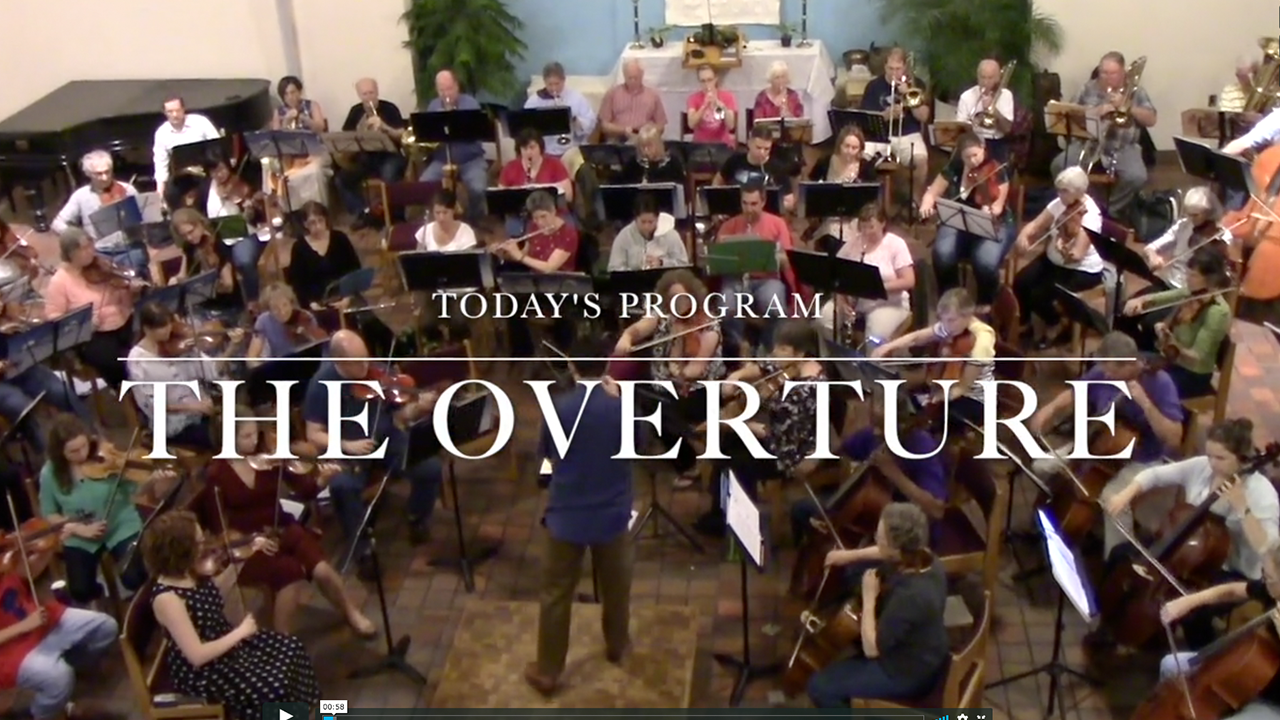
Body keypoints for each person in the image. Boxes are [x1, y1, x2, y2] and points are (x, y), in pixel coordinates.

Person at [1105, 417, 1278, 649]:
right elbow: (1156, 475)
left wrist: (1242, 508)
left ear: (1243, 459)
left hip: (1232, 570)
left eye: (1220, 458)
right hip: (1186, 552)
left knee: (1195, 612)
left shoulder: (1263, 495)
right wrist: (1126, 494)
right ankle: (1112, 621)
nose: (1212, 464)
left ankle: (1202, 658)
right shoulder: (1203, 466)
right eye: (1209, 455)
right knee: (1121, 554)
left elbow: (1268, 547)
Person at [196, 413, 375, 636]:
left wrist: (322, 479)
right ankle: (283, 639)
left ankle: (351, 612)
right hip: (247, 545)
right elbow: (219, 529)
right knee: (290, 572)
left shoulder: (269, 459)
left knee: (321, 568)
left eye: (255, 433)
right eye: (246, 436)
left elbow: (306, 490)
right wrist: (252, 541)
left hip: (281, 527)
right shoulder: (216, 474)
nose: (255, 440)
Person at [524, 344, 633, 696]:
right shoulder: (623, 407)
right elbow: (640, 445)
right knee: (617, 587)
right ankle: (617, 645)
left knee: (556, 593)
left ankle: (548, 670)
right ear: (606, 366)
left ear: (572, 365)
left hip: (567, 515)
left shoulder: (558, 408)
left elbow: (546, 456)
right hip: (612, 514)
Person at [142, 511, 320, 720]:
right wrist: (241, 632)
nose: (204, 546)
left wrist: (247, 554)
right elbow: (197, 656)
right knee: (273, 685)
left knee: (292, 648)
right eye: (198, 542)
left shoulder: (189, 571)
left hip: (226, 644)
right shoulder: (167, 599)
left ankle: (314, 713)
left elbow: (211, 596)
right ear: (180, 550)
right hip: (207, 670)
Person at [1028, 331, 1184, 555]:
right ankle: (1051, 518)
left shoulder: (1160, 384)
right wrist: (1050, 409)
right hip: (1099, 444)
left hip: (1142, 459)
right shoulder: (1104, 370)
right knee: (1041, 466)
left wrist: (1146, 404)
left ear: (1130, 364)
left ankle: (1117, 560)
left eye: (1112, 372)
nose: (1106, 376)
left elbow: (1174, 437)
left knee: (1113, 501)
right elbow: (1078, 390)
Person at [303, 330, 443, 578]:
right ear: (340, 361)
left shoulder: (378, 372)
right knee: (343, 487)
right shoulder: (320, 385)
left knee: (429, 467)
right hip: (348, 450)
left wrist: (418, 407)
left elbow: (400, 414)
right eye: (359, 362)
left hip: (387, 439)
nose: (367, 365)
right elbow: (313, 433)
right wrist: (347, 445)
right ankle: (363, 550)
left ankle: (417, 517)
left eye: (366, 358)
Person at [806, 503, 949, 707]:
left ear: (896, 549)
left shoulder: (910, 597)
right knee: (855, 575)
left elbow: (872, 648)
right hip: (926, 651)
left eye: (879, 538)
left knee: (819, 687)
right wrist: (849, 556)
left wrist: (869, 597)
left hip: (905, 672)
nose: (875, 538)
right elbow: (886, 552)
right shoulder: (927, 559)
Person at [695, 319, 825, 536]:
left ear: (801, 353)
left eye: (782, 349)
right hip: (782, 436)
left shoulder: (806, 389)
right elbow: (765, 366)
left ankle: (744, 524)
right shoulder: (795, 364)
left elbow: (779, 436)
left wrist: (740, 425)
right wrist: (736, 376)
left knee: (735, 458)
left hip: (791, 452)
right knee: (727, 444)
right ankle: (721, 513)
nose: (775, 353)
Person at [792, 384, 949, 555]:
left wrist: (894, 474)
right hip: (871, 519)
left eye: (881, 426)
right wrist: (816, 464)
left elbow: (936, 510)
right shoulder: (874, 434)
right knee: (801, 510)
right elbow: (841, 452)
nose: (874, 431)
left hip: (908, 532)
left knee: (851, 565)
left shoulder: (922, 446)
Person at [1154, 544, 1280, 720]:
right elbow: (1232, 591)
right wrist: (1187, 602)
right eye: (1263, 574)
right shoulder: (1270, 590)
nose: (1263, 581)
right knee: (1170, 665)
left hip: (1273, 701)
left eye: (1269, 578)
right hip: (1245, 676)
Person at [38, 414, 154, 605]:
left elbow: (137, 490)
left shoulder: (105, 456)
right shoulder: (49, 473)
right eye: (73, 451)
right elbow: (49, 513)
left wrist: (152, 479)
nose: (82, 454)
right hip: (80, 535)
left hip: (120, 524)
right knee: (80, 590)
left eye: (84, 446)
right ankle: (104, 596)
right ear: (59, 452)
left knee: (134, 576)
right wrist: (79, 529)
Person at [0, 562, 118, 720]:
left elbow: (29, 570)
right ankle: (40, 713)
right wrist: (25, 625)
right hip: (12, 651)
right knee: (60, 677)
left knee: (106, 627)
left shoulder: (6, 565)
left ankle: (70, 670)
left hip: (44, 620)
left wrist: (46, 551)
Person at [1049, 51, 1157, 220]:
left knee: (1137, 177)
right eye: (1103, 72)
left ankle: (1108, 212)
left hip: (1123, 147)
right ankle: (1075, 206)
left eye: (1112, 73)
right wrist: (1096, 112)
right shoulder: (1087, 88)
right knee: (1058, 165)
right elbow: (1070, 113)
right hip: (1088, 144)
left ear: (1123, 73)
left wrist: (1127, 106)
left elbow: (1151, 119)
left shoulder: (1135, 91)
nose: (1107, 77)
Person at [871, 288, 996, 425]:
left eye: (951, 320)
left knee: (934, 420)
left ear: (967, 315)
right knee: (903, 403)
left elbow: (963, 387)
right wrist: (887, 347)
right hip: (948, 388)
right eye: (944, 320)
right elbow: (916, 338)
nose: (946, 326)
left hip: (975, 398)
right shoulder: (953, 327)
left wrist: (933, 399)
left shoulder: (981, 340)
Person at [920, 133, 1014, 308]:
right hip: (958, 219)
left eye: (976, 155)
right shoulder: (955, 166)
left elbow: (998, 206)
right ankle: (951, 298)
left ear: (983, 149)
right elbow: (932, 192)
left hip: (995, 223)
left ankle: (987, 302)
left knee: (985, 262)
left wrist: (989, 210)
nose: (973, 161)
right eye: (967, 157)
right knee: (942, 254)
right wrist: (926, 204)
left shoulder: (997, 169)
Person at [43, 228, 146, 388]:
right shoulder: (60, 281)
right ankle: (130, 390)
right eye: (84, 249)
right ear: (71, 253)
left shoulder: (101, 265)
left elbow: (123, 292)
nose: (91, 251)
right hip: (93, 336)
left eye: (91, 245)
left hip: (125, 320)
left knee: (150, 343)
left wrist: (132, 290)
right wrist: (84, 324)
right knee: (120, 362)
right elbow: (53, 316)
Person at [1121, 250, 1233, 398]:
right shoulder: (1193, 292)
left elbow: (1197, 356)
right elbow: (1162, 297)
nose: (1187, 279)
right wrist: (1140, 301)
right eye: (1187, 273)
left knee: (1134, 385)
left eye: (1193, 276)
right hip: (1172, 361)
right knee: (1121, 363)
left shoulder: (1217, 312)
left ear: (1210, 280)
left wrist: (1173, 344)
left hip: (1192, 375)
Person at [1011, 184, 1105, 349]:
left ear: (1077, 192)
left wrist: (1064, 251)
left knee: (1038, 295)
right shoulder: (1060, 203)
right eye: (1059, 190)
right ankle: (1026, 323)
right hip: (1053, 260)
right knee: (1020, 281)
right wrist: (1024, 236)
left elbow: (1077, 255)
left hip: (1080, 269)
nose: (1059, 194)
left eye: (1064, 191)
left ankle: (1055, 322)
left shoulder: (1090, 216)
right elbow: (1036, 224)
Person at [713, 181, 797, 352]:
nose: (749, 209)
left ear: (763, 202)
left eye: (753, 204)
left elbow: (787, 260)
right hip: (736, 279)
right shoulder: (729, 226)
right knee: (726, 308)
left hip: (767, 279)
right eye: (745, 203)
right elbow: (715, 261)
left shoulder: (777, 223)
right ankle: (739, 351)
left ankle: (768, 350)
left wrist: (765, 254)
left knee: (775, 309)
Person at [126, 303, 223, 449]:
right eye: (162, 327)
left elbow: (211, 370)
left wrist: (233, 347)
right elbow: (151, 405)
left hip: (202, 412)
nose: (168, 329)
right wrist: (191, 406)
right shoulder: (137, 361)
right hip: (174, 424)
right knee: (224, 437)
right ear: (146, 329)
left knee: (241, 424)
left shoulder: (180, 344)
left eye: (169, 324)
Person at [817, 203, 915, 346]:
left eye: (871, 227)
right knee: (824, 319)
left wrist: (876, 286)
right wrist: (841, 302)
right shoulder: (852, 244)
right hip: (854, 302)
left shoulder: (896, 244)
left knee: (875, 336)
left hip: (887, 303)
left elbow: (908, 280)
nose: (866, 232)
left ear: (882, 223)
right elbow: (836, 276)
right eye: (863, 227)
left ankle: (871, 359)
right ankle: (834, 356)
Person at [49, 150, 149, 277]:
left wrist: (138, 218)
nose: (105, 177)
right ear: (88, 174)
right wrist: (80, 237)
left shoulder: (128, 190)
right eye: (99, 174)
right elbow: (57, 223)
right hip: (100, 252)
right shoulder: (81, 196)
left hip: (131, 247)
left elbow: (145, 220)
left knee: (140, 274)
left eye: (108, 172)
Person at [860, 47, 931, 202]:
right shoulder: (873, 86)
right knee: (859, 156)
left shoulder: (917, 84)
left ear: (904, 67)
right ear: (884, 66)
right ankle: (866, 197)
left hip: (908, 134)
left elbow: (924, 117)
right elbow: (865, 119)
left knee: (921, 162)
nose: (894, 73)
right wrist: (886, 115)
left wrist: (907, 94)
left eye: (898, 69)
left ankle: (915, 199)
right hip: (879, 134)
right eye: (890, 68)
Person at [418, 70, 489, 223]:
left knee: (478, 189)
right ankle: (439, 219)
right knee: (424, 184)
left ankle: (472, 220)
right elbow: (428, 137)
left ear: (457, 86)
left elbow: (477, 133)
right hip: (442, 160)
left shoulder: (470, 104)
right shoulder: (433, 106)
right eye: (441, 90)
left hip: (470, 159)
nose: (446, 94)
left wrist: (453, 120)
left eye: (449, 89)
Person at [336, 77, 407, 216]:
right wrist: (360, 131)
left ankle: (395, 215)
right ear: (359, 95)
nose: (369, 97)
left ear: (377, 92)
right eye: (365, 94)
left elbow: (403, 135)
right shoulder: (355, 111)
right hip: (365, 158)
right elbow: (346, 138)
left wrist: (385, 127)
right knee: (342, 179)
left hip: (390, 156)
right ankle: (364, 213)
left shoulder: (390, 108)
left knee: (390, 175)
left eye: (371, 93)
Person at [1140, 186, 1233, 291]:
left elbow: (1221, 274)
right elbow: (1150, 247)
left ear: (1208, 212)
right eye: (1189, 214)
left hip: (1193, 291)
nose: (1191, 219)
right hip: (1169, 283)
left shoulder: (1222, 236)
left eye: (1195, 215)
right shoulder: (1183, 225)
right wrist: (1153, 256)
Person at [524, 61, 598, 177]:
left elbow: (590, 122)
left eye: (557, 84)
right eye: (550, 84)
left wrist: (576, 121)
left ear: (564, 80)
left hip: (570, 149)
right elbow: (526, 127)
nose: (554, 88)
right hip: (545, 151)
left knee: (582, 170)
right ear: (544, 82)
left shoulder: (575, 97)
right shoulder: (535, 101)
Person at [285, 201, 362, 310]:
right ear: (305, 224)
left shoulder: (340, 238)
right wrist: (311, 304)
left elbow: (355, 269)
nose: (318, 226)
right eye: (312, 223)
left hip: (345, 297)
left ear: (326, 219)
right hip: (318, 302)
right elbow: (298, 284)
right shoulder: (299, 248)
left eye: (320, 220)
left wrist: (347, 298)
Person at [268, 75, 330, 210]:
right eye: (286, 94)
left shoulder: (312, 105)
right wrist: (285, 122)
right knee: (279, 173)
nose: (290, 97)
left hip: (315, 151)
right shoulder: (279, 112)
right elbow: (276, 138)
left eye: (293, 92)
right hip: (292, 156)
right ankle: (294, 211)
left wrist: (305, 119)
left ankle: (318, 210)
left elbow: (320, 127)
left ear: (299, 92)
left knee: (314, 172)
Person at [497, 129, 574, 236]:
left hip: (553, 214)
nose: (529, 152)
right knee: (513, 229)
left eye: (532, 147)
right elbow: (500, 198)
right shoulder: (510, 167)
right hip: (521, 216)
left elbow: (569, 196)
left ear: (540, 148)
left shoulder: (555, 164)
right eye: (524, 148)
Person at [153, 95, 220, 208]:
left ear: (184, 109)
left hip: (207, 172)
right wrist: (160, 195)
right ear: (164, 112)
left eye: (178, 110)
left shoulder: (201, 122)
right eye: (170, 112)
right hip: (182, 178)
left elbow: (218, 146)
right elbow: (160, 166)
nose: (175, 114)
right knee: (171, 195)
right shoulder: (161, 133)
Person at [166, 208, 240, 309]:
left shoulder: (218, 244)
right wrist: (175, 280)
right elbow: (183, 275)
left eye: (191, 232)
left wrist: (207, 288)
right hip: (200, 303)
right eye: (184, 235)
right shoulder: (188, 246)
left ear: (200, 223)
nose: (189, 238)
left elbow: (228, 285)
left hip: (225, 304)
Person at [489, 191, 579, 273]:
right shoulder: (533, 226)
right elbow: (526, 256)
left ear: (553, 211)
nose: (540, 222)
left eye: (543, 216)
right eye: (535, 218)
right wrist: (505, 254)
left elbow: (549, 268)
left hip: (560, 281)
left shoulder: (568, 233)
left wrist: (520, 256)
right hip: (534, 279)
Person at [715, 125, 797, 212]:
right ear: (749, 143)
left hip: (766, 215)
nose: (762, 152)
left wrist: (779, 205)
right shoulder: (735, 160)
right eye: (758, 147)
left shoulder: (778, 168)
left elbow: (789, 200)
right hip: (736, 212)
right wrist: (718, 207)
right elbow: (717, 182)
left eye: (767, 149)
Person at [246, 283, 325, 364]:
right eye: (275, 308)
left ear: (291, 303)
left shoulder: (305, 317)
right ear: (269, 309)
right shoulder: (263, 321)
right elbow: (251, 357)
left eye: (285, 305)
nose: (282, 311)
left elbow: (321, 347)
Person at [954, 59, 1016, 161]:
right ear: (977, 77)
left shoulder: (1006, 95)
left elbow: (1007, 129)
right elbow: (960, 130)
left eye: (990, 78)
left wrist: (994, 110)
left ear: (998, 78)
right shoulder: (966, 96)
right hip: (972, 141)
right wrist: (972, 123)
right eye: (982, 77)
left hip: (996, 142)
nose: (985, 82)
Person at [606, 194, 688, 271]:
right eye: (643, 222)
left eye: (650, 222)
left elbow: (683, 264)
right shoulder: (624, 236)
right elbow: (614, 268)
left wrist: (661, 263)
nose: (646, 226)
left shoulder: (670, 235)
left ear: (657, 219)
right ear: (636, 218)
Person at [597, 60, 667, 143]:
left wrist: (648, 132)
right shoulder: (612, 94)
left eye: (636, 78)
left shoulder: (653, 96)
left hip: (644, 139)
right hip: (618, 139)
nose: (633, 81)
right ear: (624, 76)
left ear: (642, 75)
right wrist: (623, 130)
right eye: (630, 78)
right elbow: (604, 125)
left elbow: (661, 125)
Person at [615, 124, 686, 186]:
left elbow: (680, 188)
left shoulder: (672, 163)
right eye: (643, 146)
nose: (646, 150)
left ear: (658, 145)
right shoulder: (633, 163)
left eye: (649, 146)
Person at [687, 64, 738, 146]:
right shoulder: (693, 98)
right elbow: (691, 124)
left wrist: (721, 106)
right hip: (700, 145)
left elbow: (731, 125)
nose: (707, 84)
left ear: (716, 79)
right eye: (703, 81)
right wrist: (704, 106)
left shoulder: (727, 97)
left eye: (709, 80)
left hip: (722, 144)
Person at [413, 189, 478, 253]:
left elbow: (469, 258)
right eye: (437, 213)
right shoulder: (425, 231)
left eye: (445, 212)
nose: (441, 218)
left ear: (453, 210)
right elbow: (418, 257)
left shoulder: (465, 231)